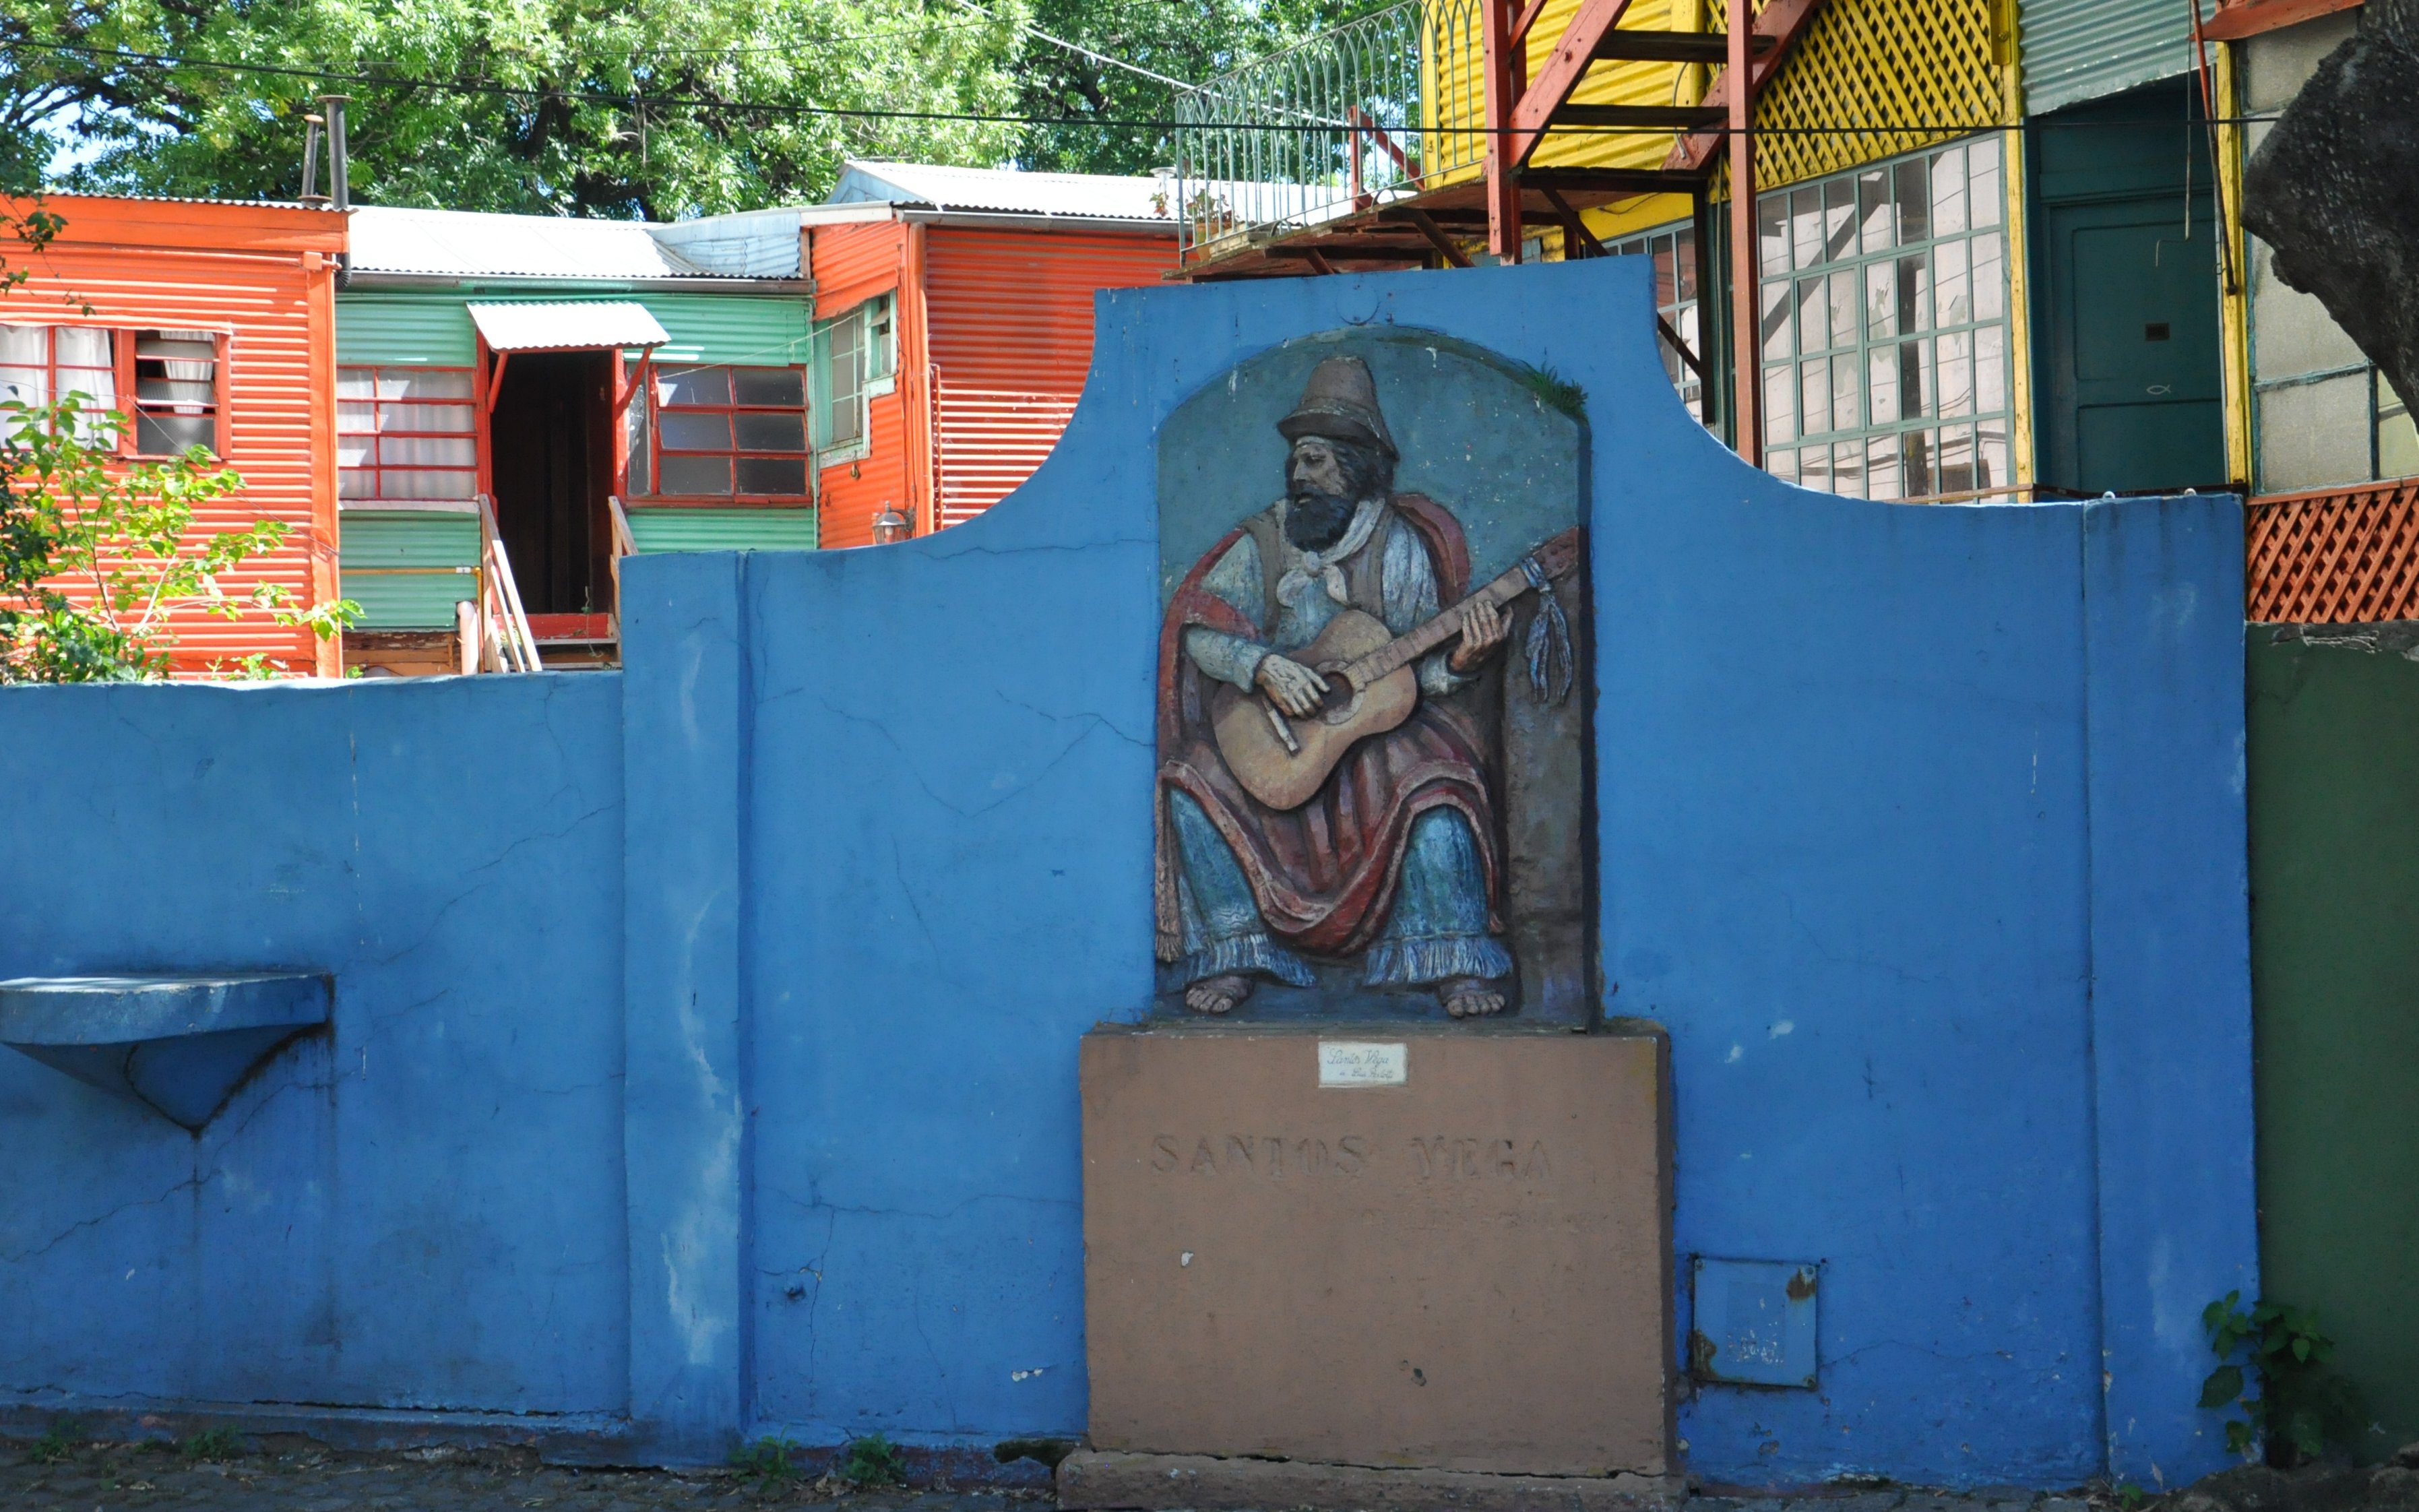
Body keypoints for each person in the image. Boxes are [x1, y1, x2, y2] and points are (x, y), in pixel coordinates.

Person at [1155, 356, 1515, 1018]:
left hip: (1372, 740)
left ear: (1357, 465)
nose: (1298, 476)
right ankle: (1236, 953)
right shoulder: (1263, 542)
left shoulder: (1400, 547)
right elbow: (1199, 632)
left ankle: (1448, 957)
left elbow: (1414, 676)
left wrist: (1461, 663)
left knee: (1438, 789)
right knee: (1190, 778)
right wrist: (1260, 668)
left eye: (1316, 461)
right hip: (1270, 732)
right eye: (1295, 460)